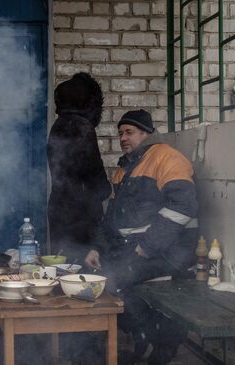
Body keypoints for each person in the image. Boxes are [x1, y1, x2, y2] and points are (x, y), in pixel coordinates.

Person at [83, 109, 198, 364]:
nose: (123, 137)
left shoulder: (167, 158)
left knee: (114, 280)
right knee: (96, 278)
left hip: (169, 252)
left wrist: (147, 246)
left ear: (146, 134)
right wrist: (97, 248)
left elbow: (182, 207)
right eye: (120, 133)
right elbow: (110, 218)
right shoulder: (126, 169)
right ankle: (142, 337)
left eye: (129, 132)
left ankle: (162, 342)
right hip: (137, 249)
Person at [46, 72, 112, 259]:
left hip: (59, 205)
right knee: (84, 267)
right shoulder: (83, 126)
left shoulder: (58, 125)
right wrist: (105, 190)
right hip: (81, 210)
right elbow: (93, 168)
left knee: (63, 260)